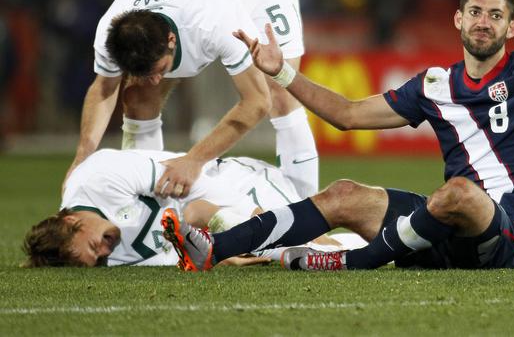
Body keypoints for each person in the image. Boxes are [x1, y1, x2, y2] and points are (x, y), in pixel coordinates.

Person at [161, 0, 514, 271]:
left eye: (495, 15)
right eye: (475, 11)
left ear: (511, 27)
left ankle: (349, 263)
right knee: (342, 193)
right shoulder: (433, 85)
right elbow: (346, 114)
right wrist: (282, 72)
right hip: (439, 233)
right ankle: (211, 250)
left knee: (460, 193)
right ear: (457, 19)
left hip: (503, 240)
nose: (483, 21)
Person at [66, 0, 318, 201]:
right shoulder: (111, 29)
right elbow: (104, 89)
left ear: (172, 40)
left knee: (280, 89)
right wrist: (82, 157)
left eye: (158, 69)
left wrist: (193, 160)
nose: (154, 79)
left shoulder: (214, 21)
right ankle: (151, 202)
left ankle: (308, 207)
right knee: (138, 94)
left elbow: (257, 102)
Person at [23, 149, 358, 268]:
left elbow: (192, 181)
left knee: (312, 230)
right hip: (219, 220)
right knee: (298, 256)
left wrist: (254, 222)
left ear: (71, 220)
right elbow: (179, 251)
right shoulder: (110, 257)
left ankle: (399, 230)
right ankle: (385, 242)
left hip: (236, 182)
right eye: (97, 261)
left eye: (93, 247)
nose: (103, 253)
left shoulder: (100, 176)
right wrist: (228, 252)